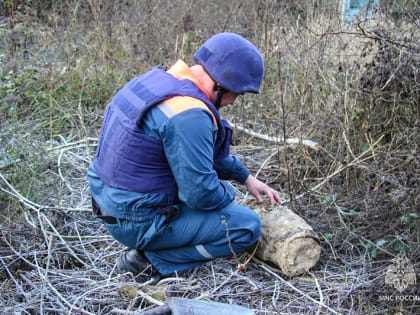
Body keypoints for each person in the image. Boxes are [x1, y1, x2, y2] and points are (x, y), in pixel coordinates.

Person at [87, 32, 282, 283]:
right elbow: (201, 195)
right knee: (246, 227)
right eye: (238, 94)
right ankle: (149, 261)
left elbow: (191, 151)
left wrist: (245, 177)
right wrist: (229, 195)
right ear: (221, 85)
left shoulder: (159, 81)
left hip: (107, 201)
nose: (234, 102)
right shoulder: (189, 114)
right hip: (134, 219)